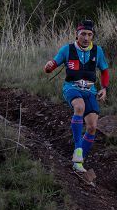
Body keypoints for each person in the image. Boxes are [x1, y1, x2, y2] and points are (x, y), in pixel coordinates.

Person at [44, 20, 111, 173]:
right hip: (72, 88)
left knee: (92, 126)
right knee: (79, 107)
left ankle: (78, 163)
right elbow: (52, 66)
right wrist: (48, 67)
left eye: (89, 34)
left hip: (90, 91)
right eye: (83, 34)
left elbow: (105, 71)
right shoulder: (67, 49)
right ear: (77, 34)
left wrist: (104, 88)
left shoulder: (97, 51)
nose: (86, 38)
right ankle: (78, 148)